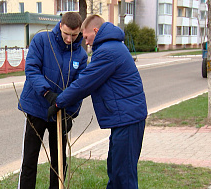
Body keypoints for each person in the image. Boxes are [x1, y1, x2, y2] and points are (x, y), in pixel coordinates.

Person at [48, 15, 147, 189]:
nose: (85, 42)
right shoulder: (112, 47)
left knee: (124, 176)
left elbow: (85, 82)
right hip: (125, 119)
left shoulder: (108, 51)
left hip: (128, 120)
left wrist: (59, 102)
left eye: (85, 37)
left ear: (95, 31)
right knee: (116, 170)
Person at [17, 12, 88, 189]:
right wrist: (47, 94)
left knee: (59, 162)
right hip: (37, 108)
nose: (69, 39)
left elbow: (79, 88)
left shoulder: (80, 56)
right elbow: (32, 69)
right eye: (66, 34)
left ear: (79, 31)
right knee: (30, 160)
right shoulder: (42, 41)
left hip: (60, 113)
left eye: (74, 35)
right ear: (60, 26)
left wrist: (69, 115)